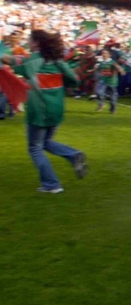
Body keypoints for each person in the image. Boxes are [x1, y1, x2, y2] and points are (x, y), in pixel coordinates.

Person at [1, 29, 87, 193]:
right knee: (46, 142)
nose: (28, 42)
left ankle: (51, 184)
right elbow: (74, 81)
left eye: (30, 40)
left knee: (34, 148)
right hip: (56, 110)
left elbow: (8, 60)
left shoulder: (31, 60)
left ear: (37, 43)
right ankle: (73, 155)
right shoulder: (58, 61)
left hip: (39, 111)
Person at [95, 48, 126, 114]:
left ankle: (113, 109)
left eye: (105, 53)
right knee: (98, 92)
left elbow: (118, 67)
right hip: (103, 80)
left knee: (112, 97)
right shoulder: (102, 62)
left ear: (109, 55)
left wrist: (121, 70)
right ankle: (101, 104)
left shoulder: (112, 62)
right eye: (103, 53)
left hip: (111, 81)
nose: (103, 55)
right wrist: (92, 70)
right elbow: (98, 69)